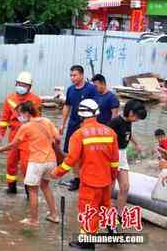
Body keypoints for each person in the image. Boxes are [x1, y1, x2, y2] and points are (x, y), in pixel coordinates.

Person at [51, 99, 119, 250]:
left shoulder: (78, 135)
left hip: (90, 181)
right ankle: (113, 232)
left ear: (81, 115)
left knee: (89, 210)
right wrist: (112, 177)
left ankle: (87, 243)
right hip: (106, 180)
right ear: (97, 113)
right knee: (106, 207)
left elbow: (71, 160)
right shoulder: (110, 133)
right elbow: (115, 161)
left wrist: (57, 172)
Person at [0, 102, 60, 227]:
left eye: (20, 114)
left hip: (36, 162)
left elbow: (13, 145)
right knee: (45, 187)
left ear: (27, 113)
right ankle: (54, 215)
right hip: (51, 160)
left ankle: (33, 220)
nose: (19, 117)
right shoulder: (47, 121)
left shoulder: (26, 127)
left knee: (32, 191)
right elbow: (58, 138)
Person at [0, 71, 42, 194]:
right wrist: (1, 132)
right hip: (14, 134)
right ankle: (11, 187)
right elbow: (4, 118)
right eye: (19, 84)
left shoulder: (36, 100)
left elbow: (38, 119)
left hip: (28, 136)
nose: (21, 86)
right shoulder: (10, 98)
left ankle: (29, 190)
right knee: (11, 161)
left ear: (29, 87)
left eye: (24, 84)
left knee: (26, 164)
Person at [59, 65, 98, 191]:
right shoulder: (70, 90)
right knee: (71, 153)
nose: (72, 78)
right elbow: (67, 106)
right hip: (73, 125)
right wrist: (62, 124)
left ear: (81, 75)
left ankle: (87, 177)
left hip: (87, 127)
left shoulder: (91, 89)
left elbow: (96, 108)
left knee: (87, 153)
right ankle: (77, 179)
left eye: (75, 75)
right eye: (71, 75)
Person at [107, 100, 147, 220]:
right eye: (137, 117)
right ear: (130, 112)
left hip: (123, 155)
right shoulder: (115, 122)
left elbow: (129, 133)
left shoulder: (129, 121)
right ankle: (106, 212)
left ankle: (119, 214)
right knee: (110, 187)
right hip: (113, 155)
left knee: (125, 187)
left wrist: (136, 144)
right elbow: (105, 138)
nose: (137, 120)